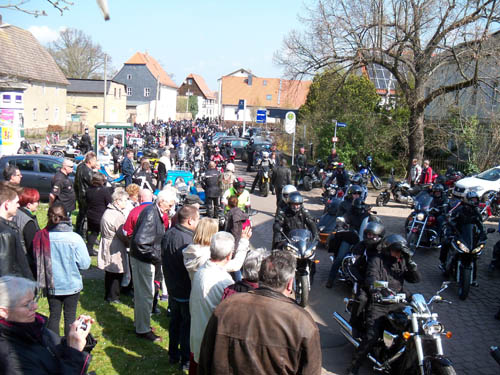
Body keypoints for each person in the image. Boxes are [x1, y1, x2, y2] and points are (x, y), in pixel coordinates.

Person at [198, 251, 322, 375]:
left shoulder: (227, 307)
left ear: (260, 276)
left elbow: (204, 360)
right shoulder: (303, 323)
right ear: (290, 284)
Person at [347, 235, 420, 375]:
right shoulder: (377, 260)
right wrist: (376, 290)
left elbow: (415, 279)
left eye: (401, 252)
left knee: (409, 328)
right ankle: (353, 367)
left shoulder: (402, 262)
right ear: (388, 249)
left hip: (398, 303)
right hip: (379, 304)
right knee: (371, 336)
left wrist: (411, 264)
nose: (399, 254)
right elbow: (371, 278)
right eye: (396, 251)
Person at [0, 276, 94, 375]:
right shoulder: (12, 357)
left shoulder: (32, 327)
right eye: (27, 304)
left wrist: (79, 337)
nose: (35, 306)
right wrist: (75, 351)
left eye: (33, 299)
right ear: (3, 311)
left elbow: (54, 349)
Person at [33, 203, 90, 337]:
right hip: (71, 284)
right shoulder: (75, 238)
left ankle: (53, 347)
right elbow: (85, 264)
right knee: (70, 317)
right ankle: (70, 348)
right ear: (67, 217)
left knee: (54, 315)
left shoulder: (42, 237)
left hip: (51, 284)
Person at [130, 189, 176, 342]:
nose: (170, 208)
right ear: (161, 201)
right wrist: (157, 257)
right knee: (146, 295)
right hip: (144, 260)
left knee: (143, 294)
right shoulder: (151, 214)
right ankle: (143, 329)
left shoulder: (153, 211)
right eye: (169, 205)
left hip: (143, 258)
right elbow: (140, 242)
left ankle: (141, 323)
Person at [189, 232, 238, 372]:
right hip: (210, 340)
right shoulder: (225, 281)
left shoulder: (202, 269)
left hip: (197, 332)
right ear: (229, 255)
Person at [161, 205, 200, 371]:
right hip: (184, 289)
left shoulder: (169, 233)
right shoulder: (188, 241)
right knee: (186, 326)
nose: (198, 223)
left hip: (172, 287)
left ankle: (172, 354)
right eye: (197, 220)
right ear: (190, 220)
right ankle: (184, 358)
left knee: (175, 323)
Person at [439, 191, 486, 280]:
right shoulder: (459, 209)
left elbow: (480, 224)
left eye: (475, 199)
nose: (474, 201)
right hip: (458, 233)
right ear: (467, 200)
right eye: (472, 199)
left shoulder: (476, 212)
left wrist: (483, 234)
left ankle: (474, 278)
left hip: (469, 237)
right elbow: (451, 219)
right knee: (446, 242)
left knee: (475, 254)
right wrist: (450, 225)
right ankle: (443, 262)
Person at [325, 198, 371, 288]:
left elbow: (372, 224)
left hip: (363, 240)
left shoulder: (366, 216)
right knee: (340, 257)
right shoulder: (349, 213)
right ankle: (330, 279)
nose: (359, 210)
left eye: (361, 208)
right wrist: (342, 224)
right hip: (350, 238)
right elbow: (343, 220)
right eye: (357, 208)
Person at [97, 188, 130, 304]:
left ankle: (109, 294)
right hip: (114, 244)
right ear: (117, 201)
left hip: (108, 241)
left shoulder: (108, 211)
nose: (126, 202)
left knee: (109, 271)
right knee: (116, 270)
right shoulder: (117, 215)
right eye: (125, 200)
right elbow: (122, 233)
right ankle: (113, 296)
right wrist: (128, 242)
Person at [0, 183, 33, 279]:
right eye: (16, 202)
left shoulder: (8, 227)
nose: (18, 205)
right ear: (7, 204)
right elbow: (6, 272)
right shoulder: (5, 234)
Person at [12, 188, 40, 277]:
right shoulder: (28, 222)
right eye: (36, 201)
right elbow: (32, 246)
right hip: (27, 264)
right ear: (28, 205)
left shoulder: (14, 213)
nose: (38, 204)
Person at [85, 173, 113, 257]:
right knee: (101, 234)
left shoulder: (88, 189)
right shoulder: (104, 191)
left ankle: (89, 248)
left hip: (90, 213)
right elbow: (109, 202)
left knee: (93, 233)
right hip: (100, 215)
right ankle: (101, 250)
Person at [74, 152, 97, 236]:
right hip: (86, 196)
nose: (96, 163)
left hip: (80, 194)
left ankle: (78, 230)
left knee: (81, 213)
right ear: (90, 161)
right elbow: (94, 182)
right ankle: (84, 233)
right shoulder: (88, 171)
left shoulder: (80, 167)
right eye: (95, 161)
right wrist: (96, 172)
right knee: (86, 216)